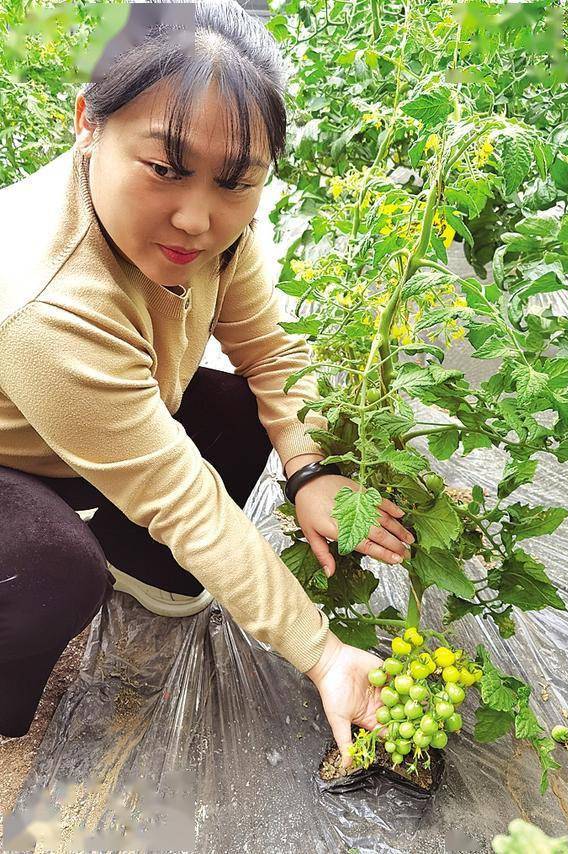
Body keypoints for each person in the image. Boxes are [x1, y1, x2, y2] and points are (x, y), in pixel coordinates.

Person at [0, 1, 414, 767]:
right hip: (13, 459)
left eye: (237, 181)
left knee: (237, 410)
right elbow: (182, 499)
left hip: (85, 433)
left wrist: (311, 469)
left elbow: (270, 352)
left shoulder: (219, 232)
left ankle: (144, 569)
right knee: (48, 570)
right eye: (165, 168)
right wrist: (324, 656)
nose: (197, 218)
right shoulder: (42, 298)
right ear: (88, 123)